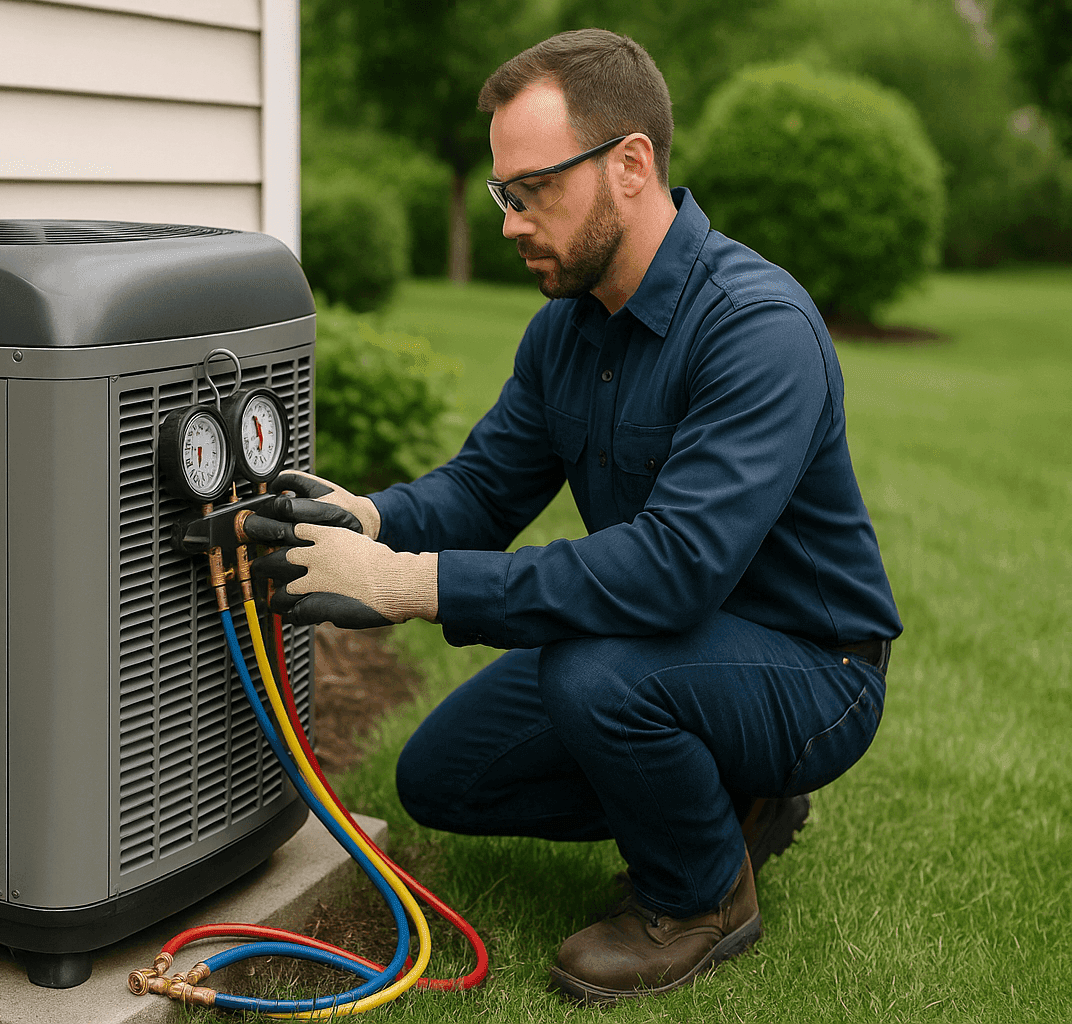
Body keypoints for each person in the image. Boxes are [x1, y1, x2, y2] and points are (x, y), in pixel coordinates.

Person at [250, 28, 901, 1004]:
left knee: (595, 667)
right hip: (672, 643)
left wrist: (408, 586)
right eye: (502, 195)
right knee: (444, 778)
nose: (511, 219)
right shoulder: (566, 329)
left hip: (813, 665)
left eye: (532, 189)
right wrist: (375, 520)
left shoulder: (758, 328)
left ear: (630, 164)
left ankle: (699, 894)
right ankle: (729, 802)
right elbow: (484, 489)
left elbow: (675, 568)